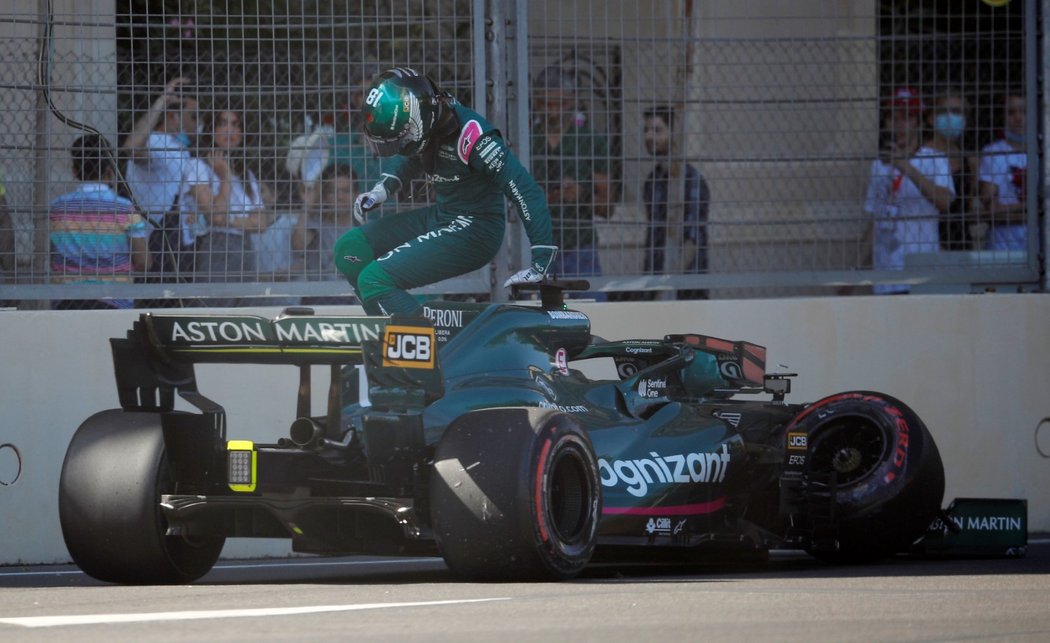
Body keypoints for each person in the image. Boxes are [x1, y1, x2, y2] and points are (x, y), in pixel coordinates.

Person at [334, 67, 556, 315]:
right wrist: (381, 190)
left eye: (400, 138)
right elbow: (412, 154)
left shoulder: (473, 137)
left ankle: (426, 344)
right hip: (444, 217)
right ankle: (390, 331)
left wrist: (541, 257)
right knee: (349, 249)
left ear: (418, 121)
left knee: (374, 279)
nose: (399, 146)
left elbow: (524, 189)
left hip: (477, 229)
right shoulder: (430, 118)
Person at [862, 87, 955, 294]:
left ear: (919, 123)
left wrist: (906, 167)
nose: (899, 125)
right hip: (886, 277)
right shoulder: (878, 165)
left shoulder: (935, 159)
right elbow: (875, 222)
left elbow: (945, 202)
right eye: (893, 118)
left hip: (920, 275)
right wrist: (856, 270)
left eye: (907, 118)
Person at [122, 76, 211, 285]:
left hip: (178, 239)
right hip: (157, 240)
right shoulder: (156, 142)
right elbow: (132, 148)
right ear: (173, 117)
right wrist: (161, 102)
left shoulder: (180, 149)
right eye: (194, 116)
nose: (199, 123)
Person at [530, 66, 610, 298]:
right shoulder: (525, 141)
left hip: (580, 246)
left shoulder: (591, 141)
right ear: (535, 101)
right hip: (537, 249)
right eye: (546, 105)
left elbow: (607, 207)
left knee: (593, 312)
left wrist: (581, 195)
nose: (553, 112)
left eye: (561, 104)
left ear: (573, 101)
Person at [49, 134, 150, 309]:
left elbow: (53, 254)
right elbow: (144, 261)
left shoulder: (58, 208)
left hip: (67, 299)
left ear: (74, 169)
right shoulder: (124, 208)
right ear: (110, 170)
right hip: (114, 300)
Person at [195, 107, 276, 306]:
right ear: (211, 130)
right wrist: (224, 178)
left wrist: (228, 220)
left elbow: (261, 223)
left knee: (243, 310)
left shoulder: (246, 174)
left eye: (235, 124)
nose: (230, 131)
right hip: (215, 246)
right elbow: (215, 216)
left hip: (245, 248)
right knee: (216, 310)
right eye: (223, 124)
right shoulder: (198, 167)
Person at [641, 105, 710, 300]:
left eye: (657, 130)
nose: (649, 136)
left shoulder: (692, 181)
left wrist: (669, 282)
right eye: (646, 130)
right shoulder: (652, 181)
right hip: (654, 286)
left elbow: (693, 239)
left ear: (673, 134)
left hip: (688, 289)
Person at [292, 162, 358, 305]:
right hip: (319, 297)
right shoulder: (315, 224)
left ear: (356, 195)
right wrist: (307, 205)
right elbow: (298, 245)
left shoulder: (363, 227)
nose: (340, 197)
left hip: (354, 297)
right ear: (323, 195)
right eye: (332, 191)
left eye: (346, 191)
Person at [925, 90, 981, 251]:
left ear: (965, 120)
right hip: (928, 243)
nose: (950, 117)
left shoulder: (970, 162)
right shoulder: (920, 157)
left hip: (961, 243)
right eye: (943, 111)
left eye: (957, 112)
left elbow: (968, 206)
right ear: (931, 118)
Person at [978, 90, 1027, 251]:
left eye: (1024, 111)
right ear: (1003, 117)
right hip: (1001, 247)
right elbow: (991, 211)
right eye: (1011, 112)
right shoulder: (993, 153)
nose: (1018, 118)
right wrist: (1031, 208)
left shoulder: (1043, 152)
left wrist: (1010, 211)